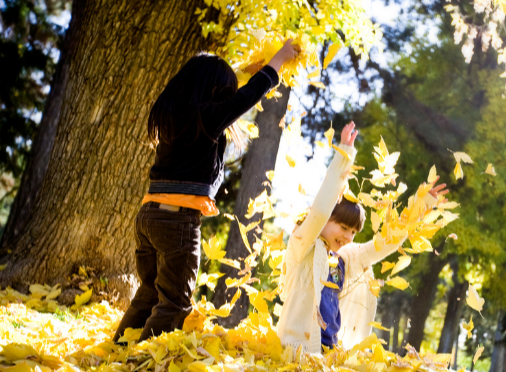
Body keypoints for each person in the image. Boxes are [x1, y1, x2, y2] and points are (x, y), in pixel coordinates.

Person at [113, 40, 298, 343]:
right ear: (217, 92)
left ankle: (119, 352)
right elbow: (248, 96)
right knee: (175, 301)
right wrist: (277, 60)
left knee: (149, 292)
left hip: (148, 217)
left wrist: (240, 71)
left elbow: (210, 82)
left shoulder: (175, 114)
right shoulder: (208, 118)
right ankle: (143, 365)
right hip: (177, 223)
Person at [276, 122, 449, 354]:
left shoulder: (343, 260)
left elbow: (384, 244)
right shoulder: (302, 245)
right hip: (296, 352)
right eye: (343, 227)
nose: (348, 237)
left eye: (353, 232)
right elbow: (320, 209)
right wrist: (344, 156)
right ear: (327, 219)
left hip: (329, 354)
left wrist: (422, 205)